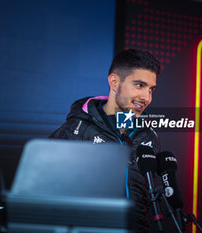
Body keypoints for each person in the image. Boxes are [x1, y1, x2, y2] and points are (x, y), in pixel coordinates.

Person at [49, 49, 161, 233]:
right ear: (114, 82)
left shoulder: (149, 136)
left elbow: (144, 201)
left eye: (151, 89)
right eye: (139, 85)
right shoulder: (77, 129)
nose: (147, 98)